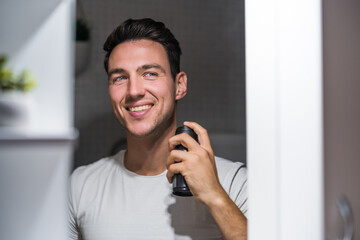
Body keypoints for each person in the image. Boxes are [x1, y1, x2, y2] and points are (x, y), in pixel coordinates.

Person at [69, 18, 248, 240]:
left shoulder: (234, 183)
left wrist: (214, 195)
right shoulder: (79, 187)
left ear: (179, 85)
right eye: (120, 77)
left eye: (150, 73)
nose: (134, 91)